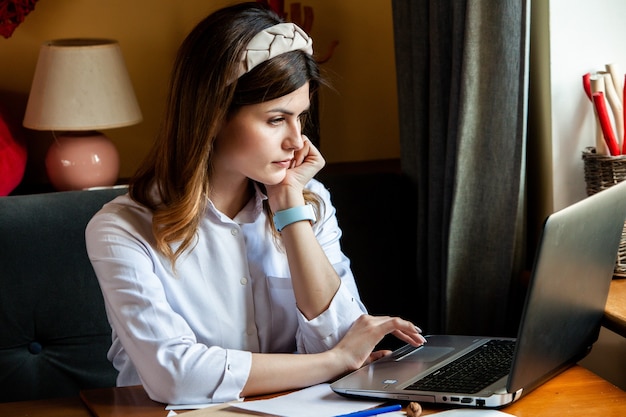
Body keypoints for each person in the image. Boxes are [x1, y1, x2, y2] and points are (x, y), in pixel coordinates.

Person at [85, 1, 425, 405]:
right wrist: (334, 361)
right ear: (212, 115)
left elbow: (343, 337)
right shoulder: (120, 230)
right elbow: (174, 377)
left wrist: (290, 211)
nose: (297, 142)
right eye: (276, 119)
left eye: (301, 117)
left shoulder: (307, 202)